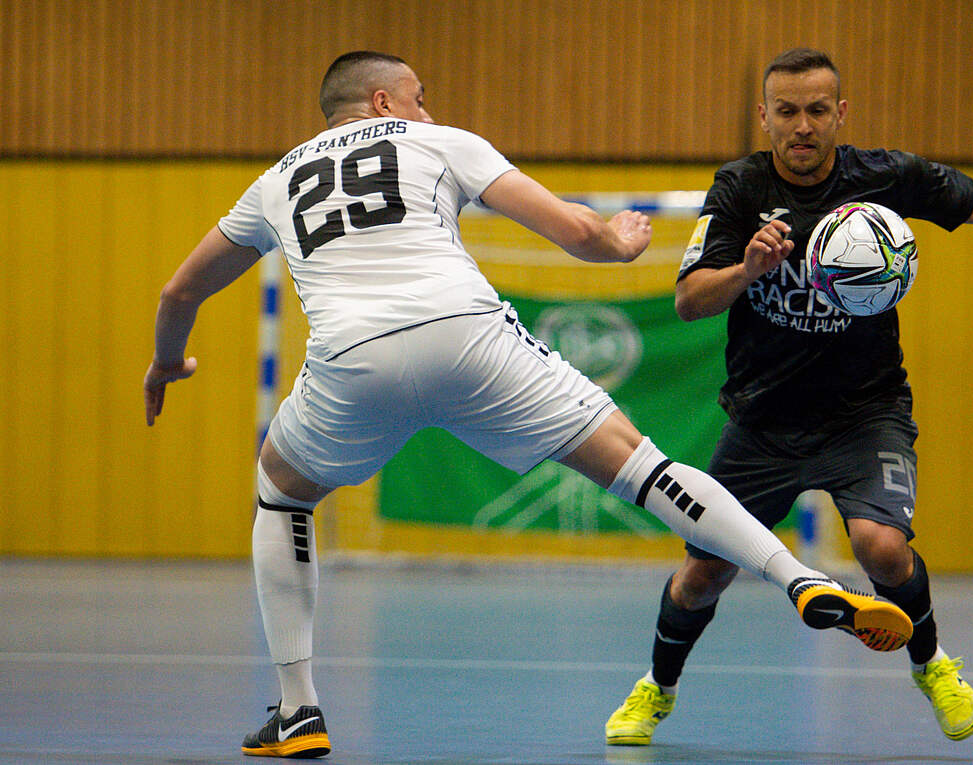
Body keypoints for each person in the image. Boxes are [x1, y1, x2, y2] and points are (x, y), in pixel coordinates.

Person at [143, 51, 916, 759]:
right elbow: (573, 227)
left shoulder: (275, 180)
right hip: (468, 335)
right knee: (642, 466)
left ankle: (297, 708)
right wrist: (619, 242)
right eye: (419, 95)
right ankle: (796, 575)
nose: (427, 108)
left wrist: (167, 362)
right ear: (382, 101)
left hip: (351, 359)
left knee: (281, 490)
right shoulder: (439, 141)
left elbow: (180, 291)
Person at [605, 48, 973, 746]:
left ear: (840, 113)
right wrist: (748, 269)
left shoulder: (883, 177)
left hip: (866, 414)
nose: (802, 126)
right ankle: (656, 690)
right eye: (786, 111)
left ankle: (931, 663)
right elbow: (690, 301)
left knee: (882, 548)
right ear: (763, 116)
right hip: (763, 419)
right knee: (702, 574)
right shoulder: (740, 188)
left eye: (817, 110)